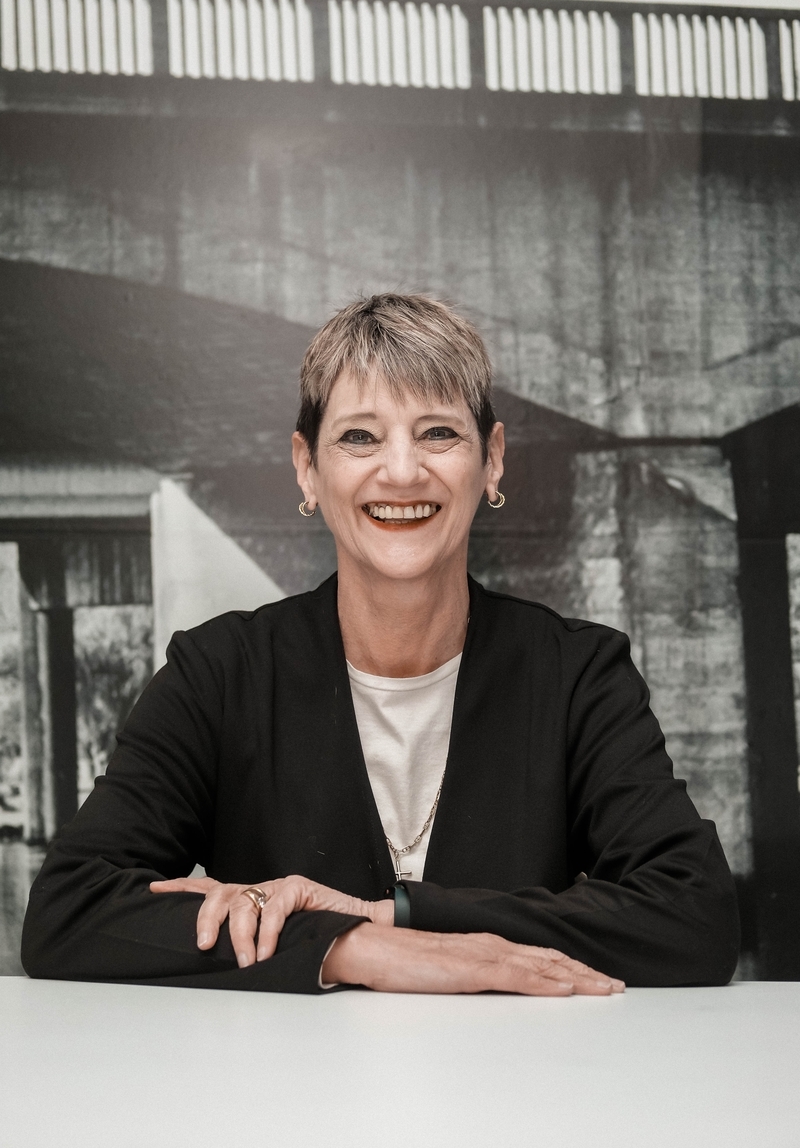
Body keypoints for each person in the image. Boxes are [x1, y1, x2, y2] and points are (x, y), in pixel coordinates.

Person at [22, 293, 739, 996]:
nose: (401, 472)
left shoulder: (578, 675)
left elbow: (694, 913)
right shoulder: (218, 675)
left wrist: (395, 916)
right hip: (283, 1075)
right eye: (360, 437)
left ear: (491, 461)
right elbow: (68, 909)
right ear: (307, 467)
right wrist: (351, 948)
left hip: (521, 1071)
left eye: (438, 433)